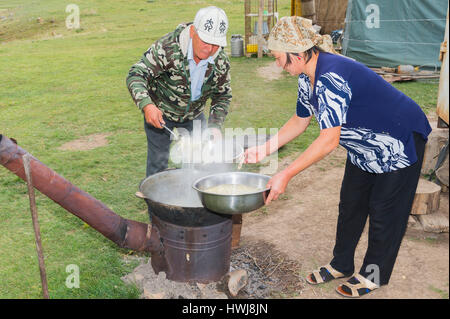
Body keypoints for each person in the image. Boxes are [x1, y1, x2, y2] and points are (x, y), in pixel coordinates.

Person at [244, 16, 432, 298]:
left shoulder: (331, 75)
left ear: (297, 52)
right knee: (351, 205)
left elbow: (328, 140)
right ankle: (341, 263)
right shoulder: (307, 76)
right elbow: (300, 120)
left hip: (398, 140)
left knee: (384, 212)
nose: (277, 65)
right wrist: (265, 148)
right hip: (363, 147)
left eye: (278, 58)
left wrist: (286, 173)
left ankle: (373, 275)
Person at [126, 6, 232, 177]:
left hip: (195, 115)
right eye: (205, 41)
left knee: (198, 165)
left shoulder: (220, 61)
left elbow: (223, 95)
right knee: (157, 165)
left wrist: (215, 126)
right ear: (192, 32)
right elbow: (136, 74)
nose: (209, 49)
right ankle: (154, 204)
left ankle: (192, 202)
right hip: (160, 113)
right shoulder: (167, 48)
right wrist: (147, 106)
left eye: (215, 44)